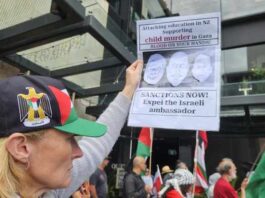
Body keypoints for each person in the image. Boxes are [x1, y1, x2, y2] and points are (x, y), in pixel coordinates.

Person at [0, 60, 143, 198]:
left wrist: (129, 88)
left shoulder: (48, 189)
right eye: (69, 139)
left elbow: (97, 145)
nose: (79, 152)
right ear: (21, 148)